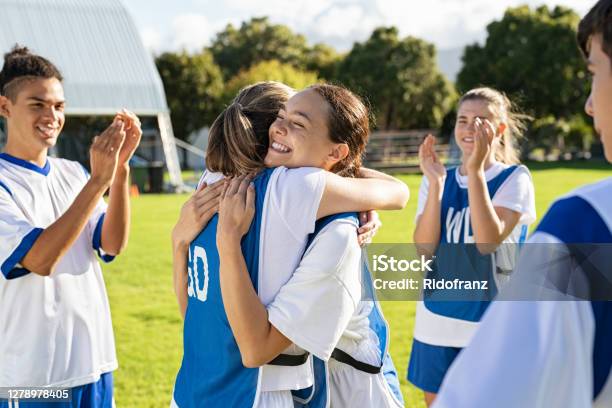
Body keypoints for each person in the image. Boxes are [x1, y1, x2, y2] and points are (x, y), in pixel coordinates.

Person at [170, 82, 409, 407]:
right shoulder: (296, 187)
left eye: (298, 122)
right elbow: (398, 193)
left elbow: (193, 315)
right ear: (270, 128)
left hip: (191, 390)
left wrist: (178, 242)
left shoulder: (210, 182)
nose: (284, 128)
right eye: (284, 118)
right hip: (263, 392)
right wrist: (351, 186)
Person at [433, 2, 612, 407]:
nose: (588, 104)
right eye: (462, 119)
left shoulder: (585, 225)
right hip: (441, 313)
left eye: (594, 73)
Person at [0, 46, 141, 407]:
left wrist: (120, 170)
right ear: (4, 107)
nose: (52, 116)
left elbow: (111, 243)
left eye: (59, 106)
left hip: (93, 363)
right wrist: (97, 182)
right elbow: (40, 260)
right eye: (38, 104)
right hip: (32, 377)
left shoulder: (73, 172)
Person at [407, 87, 536, 406]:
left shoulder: (514, 178)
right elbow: (424, 248)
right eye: (463, 119)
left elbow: (487, 241)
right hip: (436, 317)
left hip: (490, 319)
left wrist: (476, 172)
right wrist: (436, 185)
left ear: (500, 129)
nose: (469, 128)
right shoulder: (437, 177)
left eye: (481, 121)